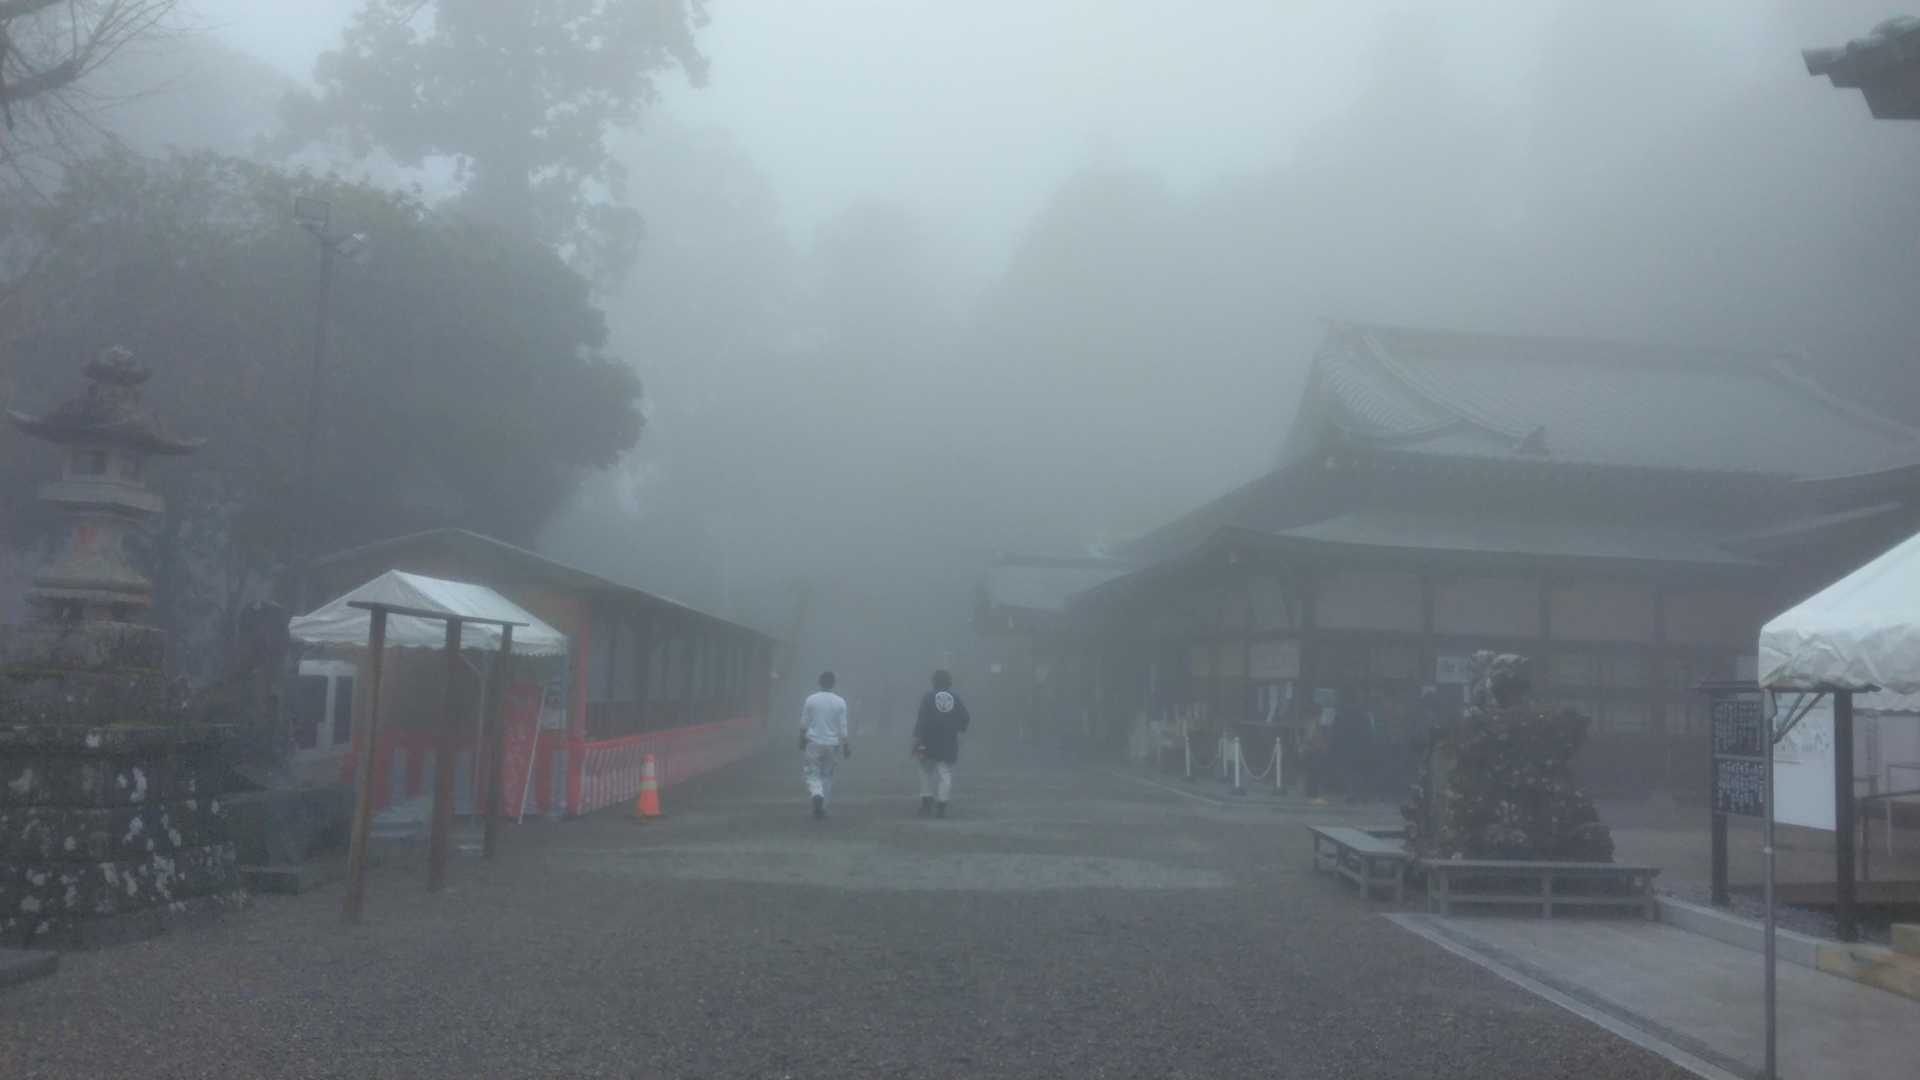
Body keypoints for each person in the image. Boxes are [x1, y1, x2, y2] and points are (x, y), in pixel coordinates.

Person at [911, 669, 971, 818]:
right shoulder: (955, 698)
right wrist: (958, 729)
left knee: (925, 771)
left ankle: (926, 802)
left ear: (934, 681)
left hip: (928, 740)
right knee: (945, 773)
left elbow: (922, 718)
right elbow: (965, 717)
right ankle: (942, 806)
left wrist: (917, 738)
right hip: (948, 741)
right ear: (949, 682)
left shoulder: (928, 697)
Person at [799, 671, 851, 820]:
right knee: (827, 775)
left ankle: (817, 794)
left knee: (812, 773)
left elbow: (804, 722)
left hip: (813, 742)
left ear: (819, 682)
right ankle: (822, 807)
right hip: (832, 744)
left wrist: (801, 738)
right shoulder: (840, 702)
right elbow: (843, 726)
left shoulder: (811, 699)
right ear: (833, 684)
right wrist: (846, 744)